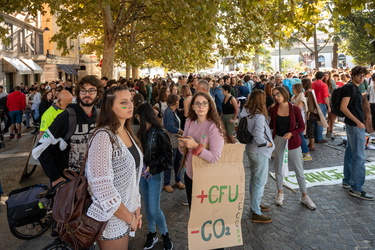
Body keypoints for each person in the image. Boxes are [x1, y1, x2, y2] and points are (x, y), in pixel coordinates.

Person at [85, 86, 143, 249]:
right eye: (124, 102)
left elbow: (133, 178)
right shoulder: (103, 137)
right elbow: (102, 187)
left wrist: (136, 208)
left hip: (127, 213)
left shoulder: (126, 131)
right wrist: (130, 218)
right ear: (110, 106)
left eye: (131, 101)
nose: (130, 105)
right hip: (111, 218)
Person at [37, 75, 104, 187]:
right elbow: (42, 147)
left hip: (94, 179)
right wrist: (55, 178)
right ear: (78, 93)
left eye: (91, 90)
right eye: (83, 90)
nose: (87, 94)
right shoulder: (67, 116)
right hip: (70, 180)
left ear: (98, 94)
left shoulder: (99, 116)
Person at [134, 102, 174, 250]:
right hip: (143, 176)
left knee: (154, 209)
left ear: (144, 116)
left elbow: (168, 157)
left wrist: (152, 165)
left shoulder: (160, 132)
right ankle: (152, 233)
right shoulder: (141, 132)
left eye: (138, 117)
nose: (137, 119)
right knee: (147, 207)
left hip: (154, 175)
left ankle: (165, 234)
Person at [269, 86, 316, 210]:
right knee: (278, 168)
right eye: (274, 95)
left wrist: (292, 133)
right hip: (279, 141)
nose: (276, 97)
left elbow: (301, 126)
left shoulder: (294, 109)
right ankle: (280, 192)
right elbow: (270, 125)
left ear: (284, 94)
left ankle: (304, 195)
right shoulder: (273, 109)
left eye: (278, 94)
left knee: (299, 170)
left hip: (293, 142)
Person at [178, 92, 225, 208]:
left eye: (204, 103)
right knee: (193, 210)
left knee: (203, 213)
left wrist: (195, 146)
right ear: (193, 107)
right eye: (197, 103)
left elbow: (214, 157)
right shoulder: (189, 122)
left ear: (209, 106)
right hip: (189, 174)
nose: (201, 106)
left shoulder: (213, 127)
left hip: (206, 177)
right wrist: (182, 146)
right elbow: (184, 151)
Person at [240, 90, 274, 223]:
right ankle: (256, 211)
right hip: (260, 151)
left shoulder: (245, 112)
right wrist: (269, 144)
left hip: (250, 149)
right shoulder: (258, 116)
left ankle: (256, 203)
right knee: (260, 181)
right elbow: (259, 136)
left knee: (254, 179)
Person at [340, 66, 373, 200]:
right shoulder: (350, 87)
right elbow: (343, 107)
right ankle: (356, 187)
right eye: (359, 75)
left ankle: (348, 181)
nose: (362, 78)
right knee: (359, 156)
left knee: (350, 152)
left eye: (363, 76)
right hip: (354, 125)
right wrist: (358, 122)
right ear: (353, 75)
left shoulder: (353, 87)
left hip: (353, 125)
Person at [163, 94, 185, 193]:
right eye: (178, 100)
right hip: (171, 140)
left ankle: (178, 180)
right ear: (175, 102)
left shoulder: (172, 111)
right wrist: (180, 131)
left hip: (176, 140)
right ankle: (167, 183)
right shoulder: (168, 112)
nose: (179, 101)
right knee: (170, 162)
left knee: (178, 161)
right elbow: (170, 127)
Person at [291, 84, 312, 161]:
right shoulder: (294, 97)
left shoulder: (301, 98)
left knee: (300, 136)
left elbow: (297, 108)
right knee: (298, 136)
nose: (292, 90)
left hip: (299, 120)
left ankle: (306, 153)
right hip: (294, 119)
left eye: (293, 88)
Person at [312, 71, 330, 143]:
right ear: (322, 77)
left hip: (313, 104)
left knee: (314, 121)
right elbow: (325, 97)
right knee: (320, 121)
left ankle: (313, 137)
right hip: (321, 104)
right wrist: (328, 106)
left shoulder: (312, 84)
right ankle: (319, 138)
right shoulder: (324, 85)